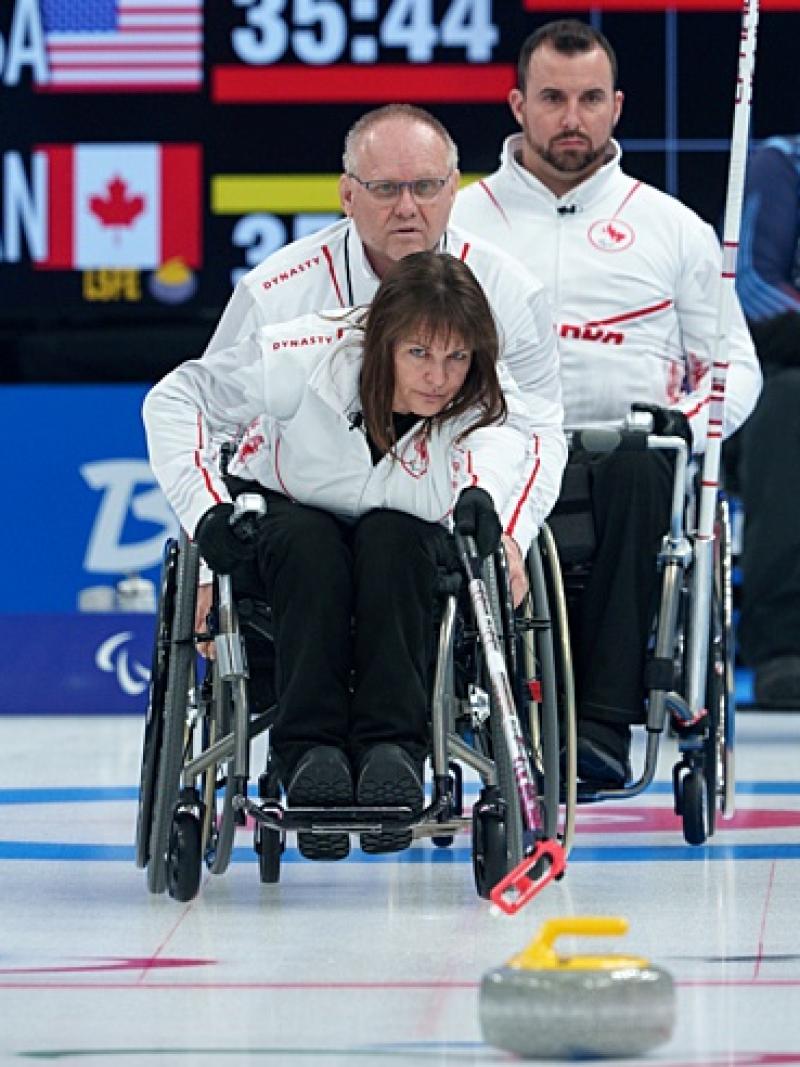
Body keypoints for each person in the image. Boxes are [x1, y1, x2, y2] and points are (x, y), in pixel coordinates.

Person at [143, 251, 537, 861]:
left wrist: (489, 498)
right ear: (382, 344)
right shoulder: (299, 356)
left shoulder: (480, 388)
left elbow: (509, 439)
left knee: (392, 540)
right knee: (313, 547)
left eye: (456, 357)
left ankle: (394, 753)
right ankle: (308, 753)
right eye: (419, 354)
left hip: (403, 533)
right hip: (287, 512)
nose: (440, 376)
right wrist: (205, 510)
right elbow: (174, 401)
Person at [452, 19, 762, 785]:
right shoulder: (456, 222)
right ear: (517, 103)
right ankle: (493, 708)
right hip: (498, 449)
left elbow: (736, 366)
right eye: (553, 98)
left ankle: (598, 727)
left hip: (625, 458)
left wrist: (687, 427)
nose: (571, 118)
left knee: (640, 465)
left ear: (617, 106)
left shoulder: (674, 229)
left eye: (590, 98)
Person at [195, 104, 566, 635]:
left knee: (395, 544)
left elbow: (537, 430)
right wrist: (209, 564)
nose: (408, 208)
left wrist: (512, 531)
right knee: (311, 548)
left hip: (427, 516)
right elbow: (212, 428)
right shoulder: (277, 290)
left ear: (453, 189)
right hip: (302, 511)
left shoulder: (508, 290)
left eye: (426, 187)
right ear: (348, 195)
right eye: (386, 189)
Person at [734, 134, 800, 707]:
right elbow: (751, 284)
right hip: (782, 370)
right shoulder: (784, 164)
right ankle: (784, 646)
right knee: (791, 404)